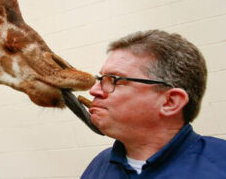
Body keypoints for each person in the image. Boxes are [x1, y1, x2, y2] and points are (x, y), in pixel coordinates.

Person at [81, 30, 226, 178]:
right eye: (100, 79)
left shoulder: (220, 165)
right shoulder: (98, 167)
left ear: (170, 102)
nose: (93, 91)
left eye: (114, 80)